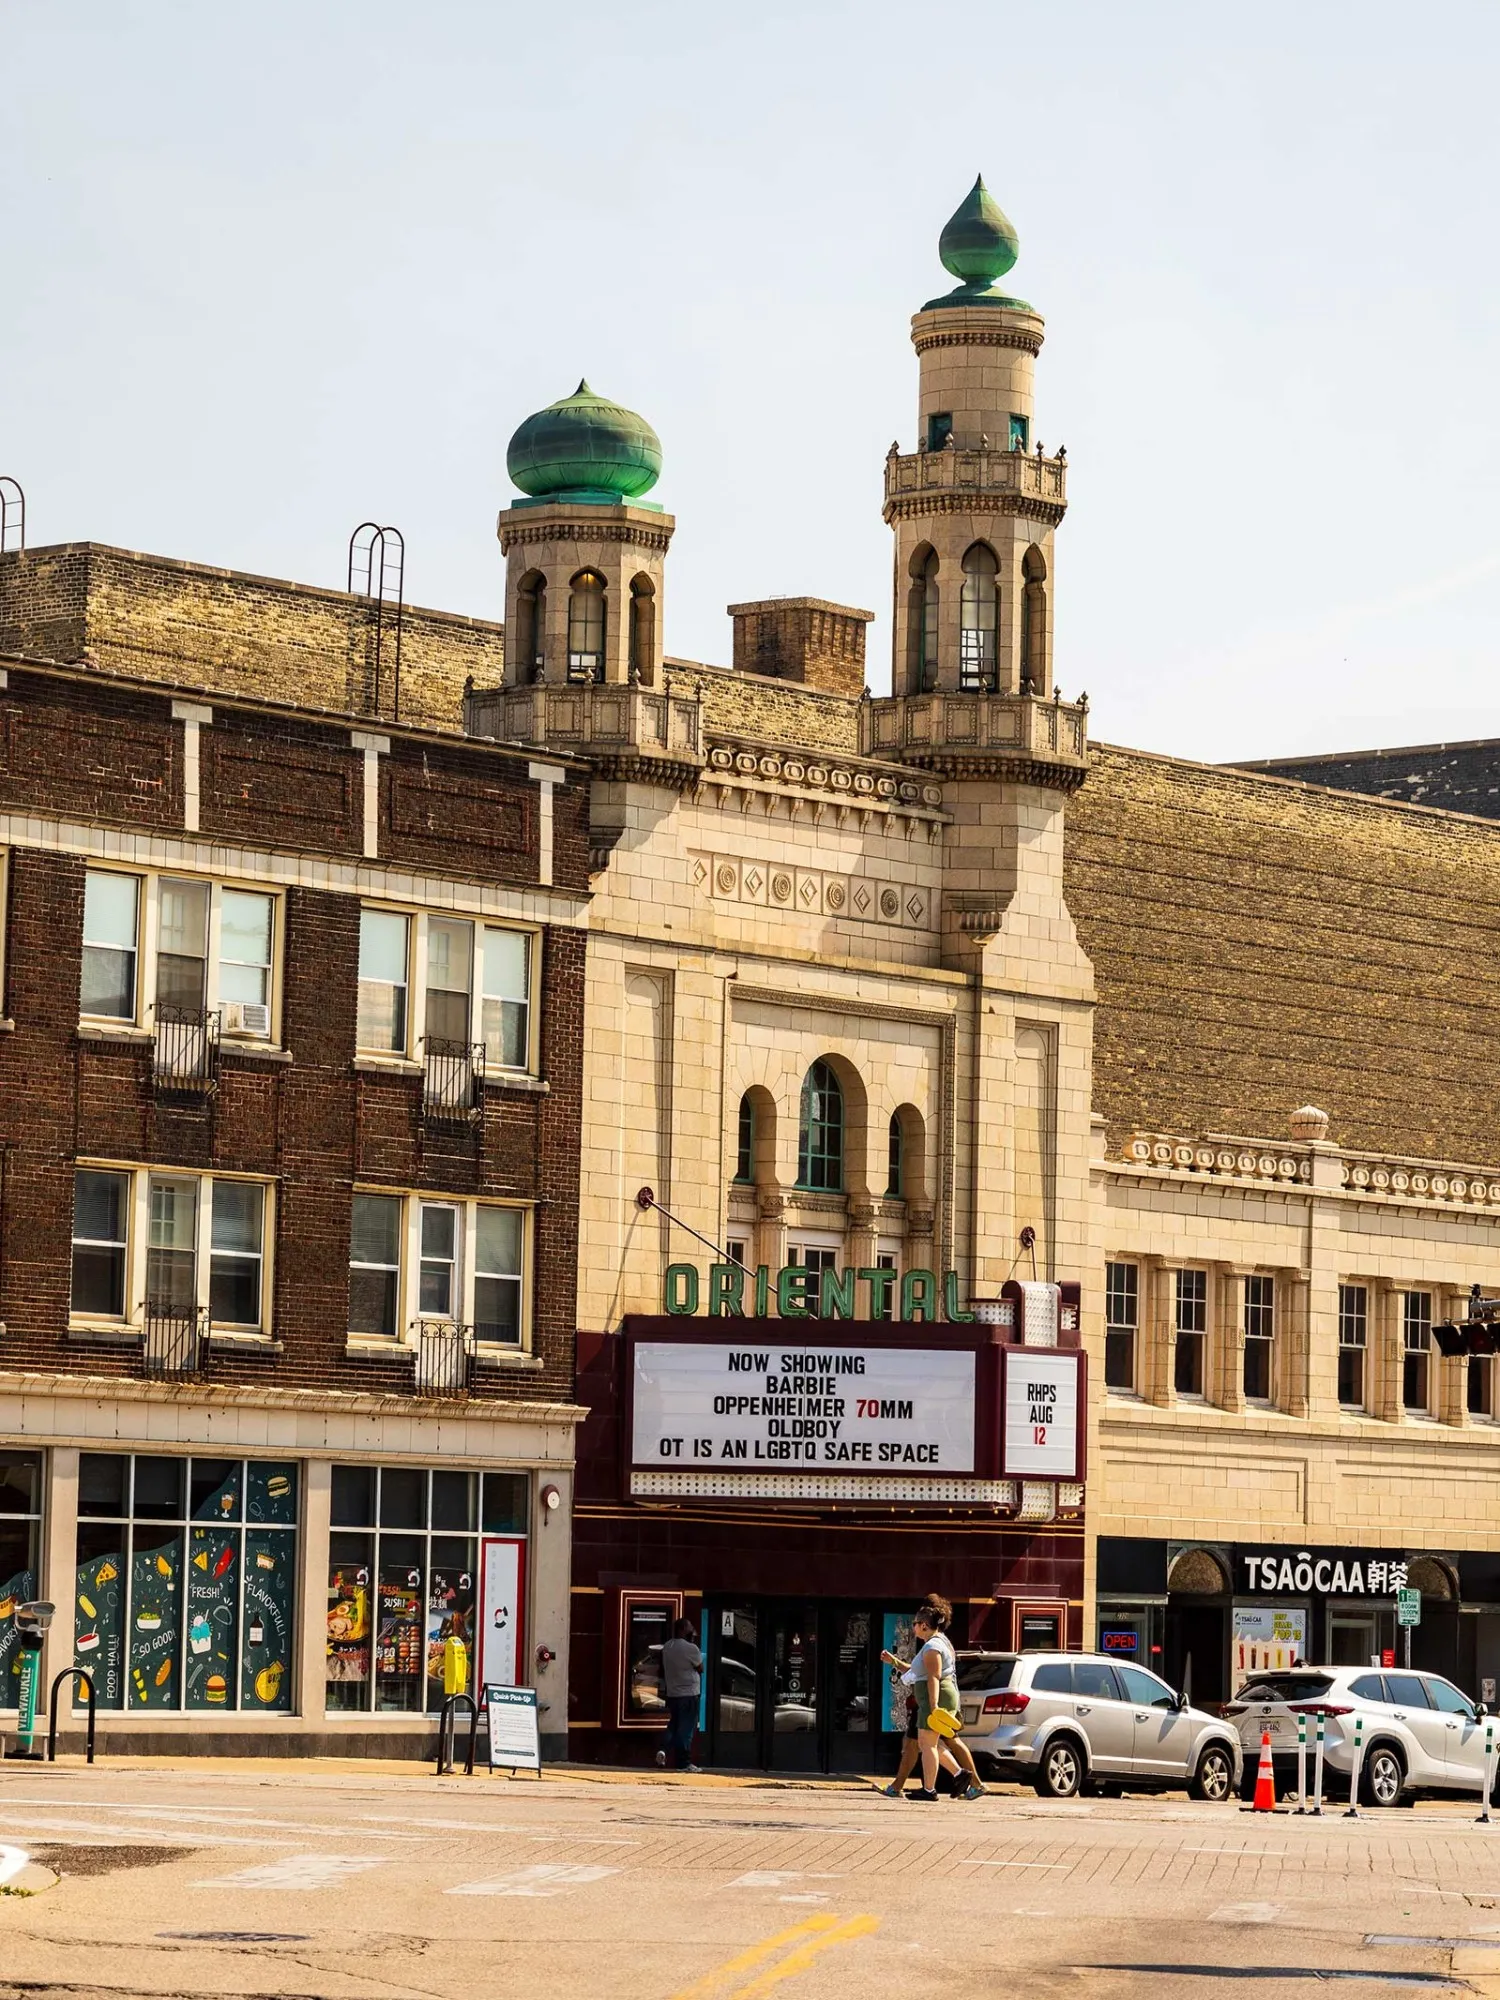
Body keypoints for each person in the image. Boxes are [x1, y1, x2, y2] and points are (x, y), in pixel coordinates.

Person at [879, 1601, 985, 1800]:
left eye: (915, 1623)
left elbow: (933, 1677)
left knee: (927, 1744)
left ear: (924, 1625)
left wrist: (934, 1705)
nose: (913, 1627)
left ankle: (929, 1790)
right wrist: (893, 1661)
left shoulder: (933, 1647)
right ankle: (959, 1774)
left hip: (934, 1699)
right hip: (935, 1698)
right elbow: (916, 1671)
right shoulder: (935, 1643)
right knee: (931, 1744)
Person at [656, 1617, 703, 1773]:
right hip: (689, 1694)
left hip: (673, 1694)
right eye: (690, 1627)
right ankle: (684, 1763)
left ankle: (663, 1750)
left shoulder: (668, 1646)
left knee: (674, 1725)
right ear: (683, 1629)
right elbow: (700, 1668)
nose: (692, 1630)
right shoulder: (691, 1648)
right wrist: (693, 1640)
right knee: (686, 1730)